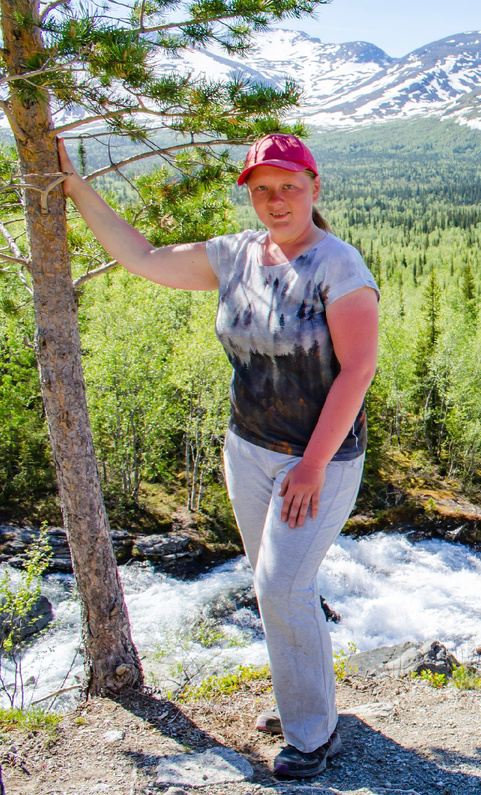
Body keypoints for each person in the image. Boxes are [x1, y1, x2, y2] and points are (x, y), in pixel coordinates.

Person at [58, 133, 379, 779]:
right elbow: (143, 255)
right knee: (282, 587)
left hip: (319, 457)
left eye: (289, 186)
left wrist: (312, 466)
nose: (276, 199)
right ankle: (304, 704)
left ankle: (314, 737)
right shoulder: (236, 255)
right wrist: (74, 187)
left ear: (315, 189)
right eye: (262, 189)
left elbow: (357, 370)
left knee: (280, 585)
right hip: (247, 447)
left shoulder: (339, 267)